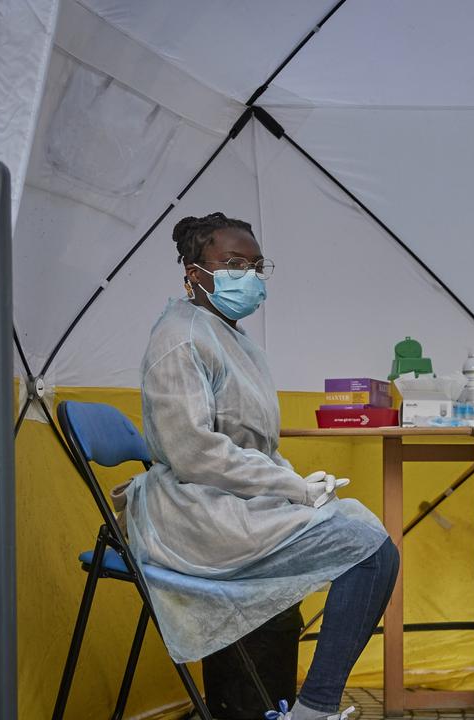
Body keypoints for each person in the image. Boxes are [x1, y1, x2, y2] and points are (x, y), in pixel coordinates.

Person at [122, 212, 399, 720]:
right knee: (370, 553)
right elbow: (194, 453)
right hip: (191, 512)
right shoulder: (180, 338)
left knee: (360, 526)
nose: (247, 276)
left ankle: (296, 706)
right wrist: (289, 486)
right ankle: (313, 709)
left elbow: (256, 445)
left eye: (255, 265)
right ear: (193, 272)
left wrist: (293, 484)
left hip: (230, 502)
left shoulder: (231, 336)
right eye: (232, 264)